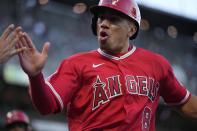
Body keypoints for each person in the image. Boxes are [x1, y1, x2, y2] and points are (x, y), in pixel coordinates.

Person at [16, 0, 197, 130]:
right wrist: (35, 76)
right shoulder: (76, 64)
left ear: (132, 29)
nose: (104, 24)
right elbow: (45, 106)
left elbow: (187, 104)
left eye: (114, 19)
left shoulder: (156, 64)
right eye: (101, 18)